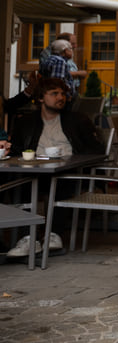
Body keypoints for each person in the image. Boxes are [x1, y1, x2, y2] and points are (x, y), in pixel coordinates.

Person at [6, 76, 103, 257]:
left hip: (68, 172)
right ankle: (29, 238)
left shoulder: (77, 120)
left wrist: (72, 159)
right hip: (35, 171)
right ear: (41, 98)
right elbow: (18, 150)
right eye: (54, 93)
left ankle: (54, 234)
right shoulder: (26, 122)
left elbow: (97, 150)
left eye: (62, 93)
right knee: (21, 183)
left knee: (59, 183)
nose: (61, 97)